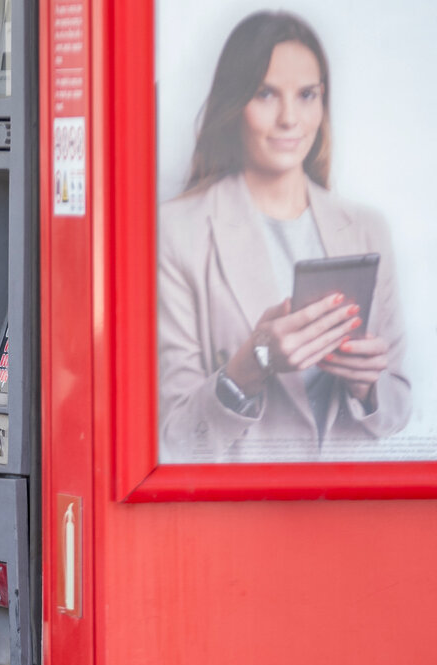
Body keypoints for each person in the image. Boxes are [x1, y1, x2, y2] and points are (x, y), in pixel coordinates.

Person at [158, 10, 410, 462]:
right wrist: (250, 367)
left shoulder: (368, 229)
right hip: (242, 515)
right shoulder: (179, 232)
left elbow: (397, 412)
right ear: (235, 105)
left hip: (346, 514)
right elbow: (174, 438)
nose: (290, 118)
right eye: (266, 94)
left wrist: (367, 385)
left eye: (307, 95)